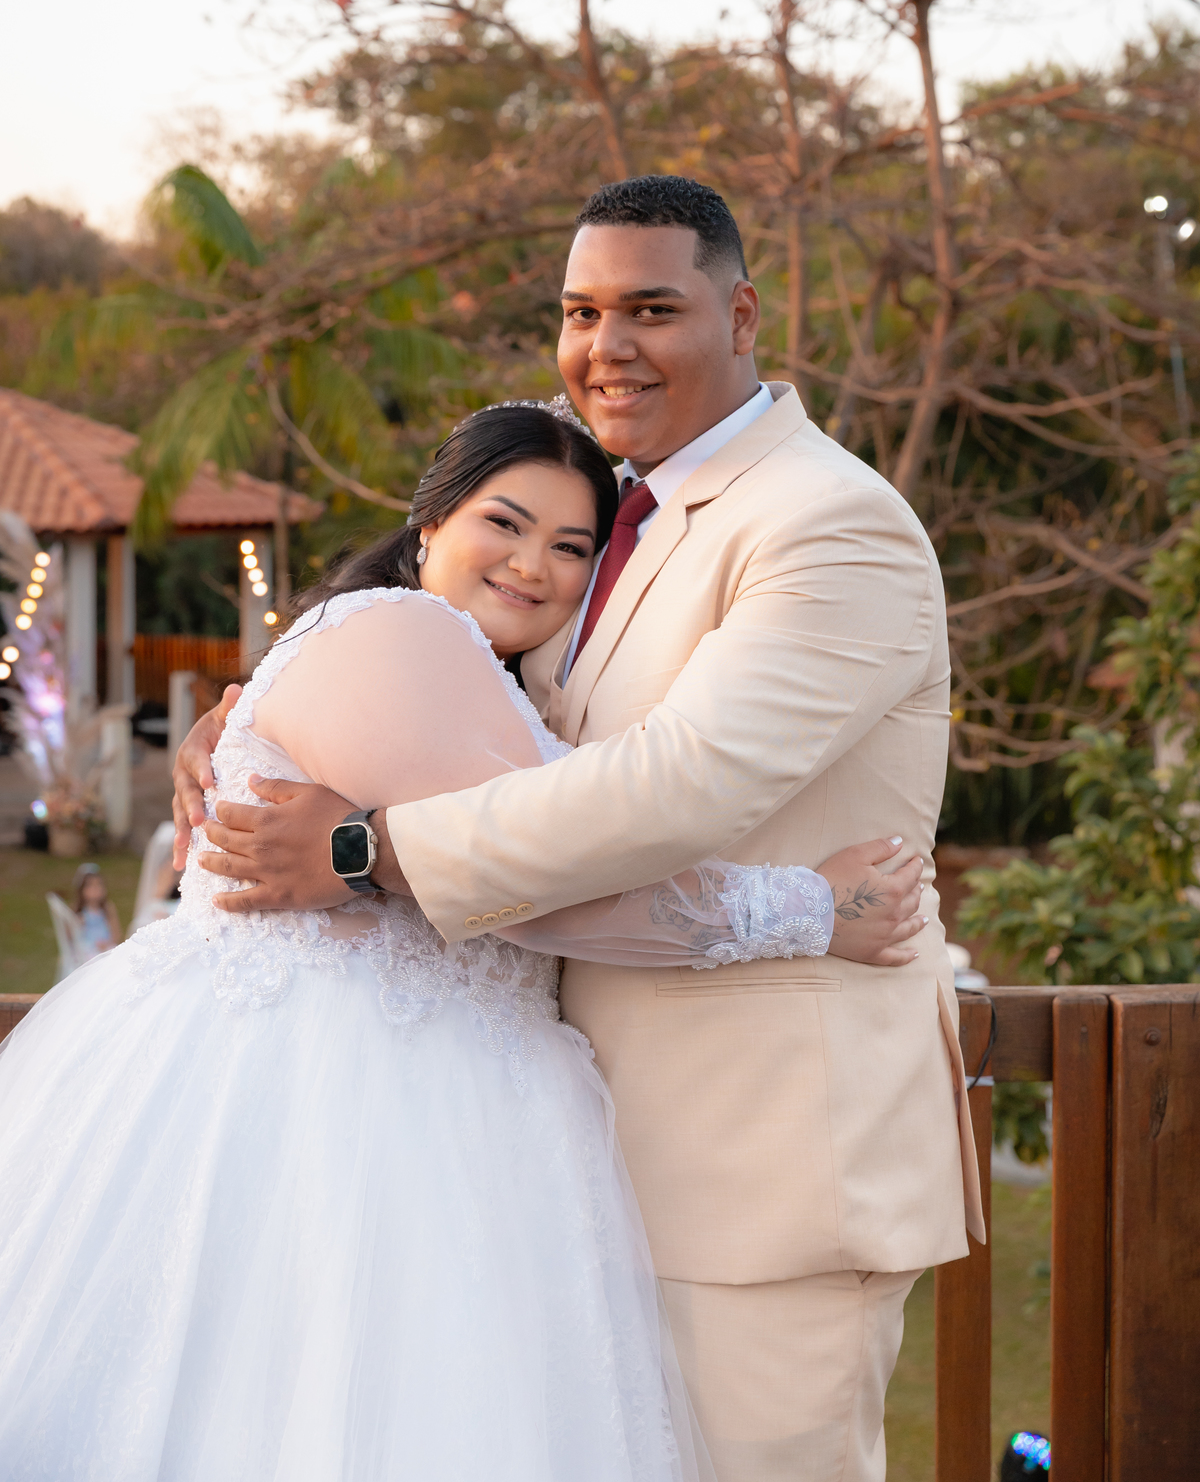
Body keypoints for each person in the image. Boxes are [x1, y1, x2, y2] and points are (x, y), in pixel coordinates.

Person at [179, 175, 984, 1482]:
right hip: (572, 1171)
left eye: (652, 308)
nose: (609, 345)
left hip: (760, 1186)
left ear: (743, 315)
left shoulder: (830, 525)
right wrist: (265, 717)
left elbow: (679, 787)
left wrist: (360, 847)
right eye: (582, 310)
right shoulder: (615, 520)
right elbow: (477, 698)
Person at [0, 403, 920, 1482]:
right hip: (326, 1103)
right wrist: (811, 907)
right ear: (430, 520)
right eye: (507, 523)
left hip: (454, 1102)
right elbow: (538, 887)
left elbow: (532, 853)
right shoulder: (406, 633)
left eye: (572, 547)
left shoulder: (482, 666)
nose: (534, 565)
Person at [72, 863, 123, 956]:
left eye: (99, 884)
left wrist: (108, 943)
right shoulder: (80, 911)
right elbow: (72, 936)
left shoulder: (107, 908)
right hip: (86, 950)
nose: (95, 889)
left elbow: (116, 932)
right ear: (81, 889)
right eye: (90, 885)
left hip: (106, 947)